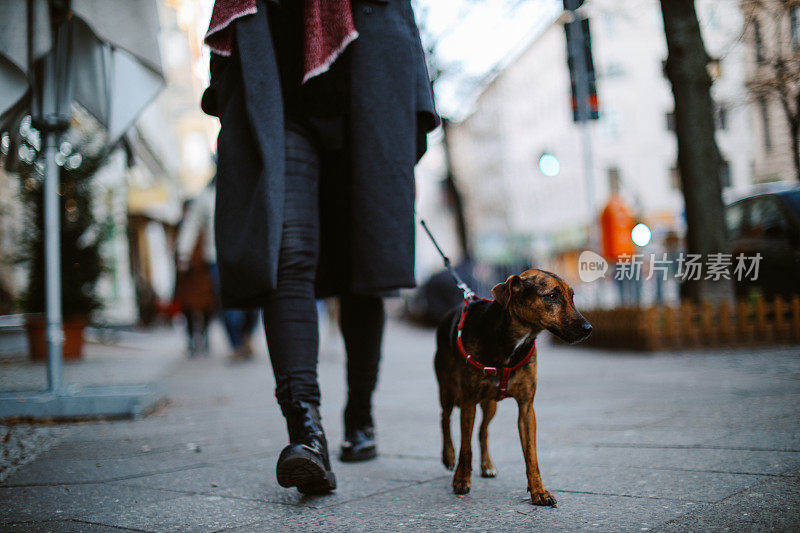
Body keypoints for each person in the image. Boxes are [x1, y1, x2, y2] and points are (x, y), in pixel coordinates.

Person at [201, 0, 437, 493]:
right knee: (287, 255)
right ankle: (306, 432)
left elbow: (402, 16)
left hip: (367, 97)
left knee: (363, 261)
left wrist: (417, 104)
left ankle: (360, 415)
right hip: (279, 105)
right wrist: (225, 90)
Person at [175, 186, 217, 357]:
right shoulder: (185, 227)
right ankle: (194, 339)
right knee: (190, 309)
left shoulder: (201, 228)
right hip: (190, 276)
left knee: (205, 308)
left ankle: (203, 337)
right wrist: (183, 259)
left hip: (202, 274)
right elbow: (180, 250)